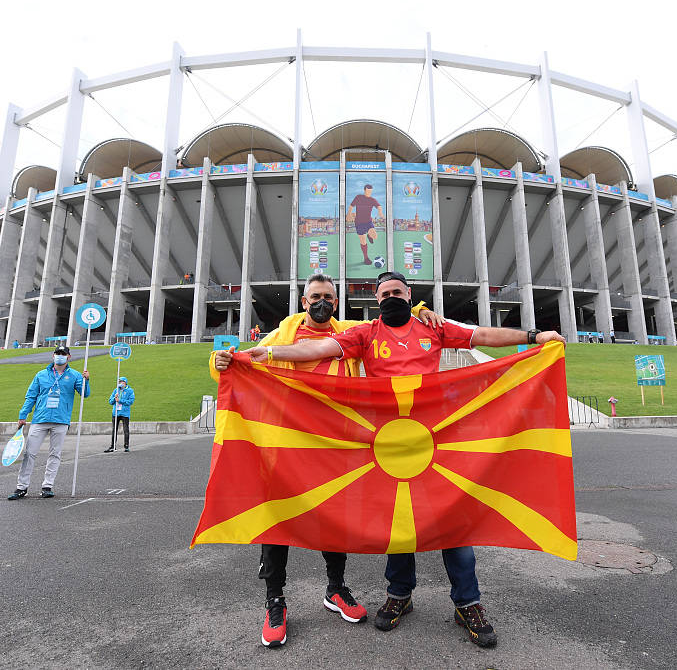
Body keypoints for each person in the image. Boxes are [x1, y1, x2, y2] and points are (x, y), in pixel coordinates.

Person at [217, 270, 564, 649]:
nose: (391, 298)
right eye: (384, 294)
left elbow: (481, 335)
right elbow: (316, 349)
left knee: (454, 517)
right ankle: (398, 594)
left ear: (409, 294)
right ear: (376, 299)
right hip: (383, 444)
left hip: (435, 440)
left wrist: (534, 336)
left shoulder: (430, 326)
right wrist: (267, 352)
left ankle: (468, 602)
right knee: (399, 518)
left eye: (398, 292)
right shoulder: (364, 333)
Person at [210, 273, 443, 649]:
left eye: (329, 298)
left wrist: (419, 308)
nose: (323, 302)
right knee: (278, 516)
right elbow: (244, 360)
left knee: (333, 514)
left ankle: (336, 589)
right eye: (316, 296)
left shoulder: (350, 330)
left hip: (335, 444)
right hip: (287, 442)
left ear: (337, 303)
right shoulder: (285, 333)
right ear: (304, 301)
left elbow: (390, 318)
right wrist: (218, 360)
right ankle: (275, 600)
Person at [8, 346, 91, 500]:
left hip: (61, 420)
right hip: (40, 419)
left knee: (55, 454)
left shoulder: (74, 375)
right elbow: (31, 396)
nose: (60, 356)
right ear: (53, 356)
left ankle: (47, 486)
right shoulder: (41, 375)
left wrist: (86, 380)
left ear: (68, 357)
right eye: (58, 354)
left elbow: (85, 394)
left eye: (63, 354)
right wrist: (23, 415)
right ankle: (21, 487)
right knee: (29, 453)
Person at [348, 183, 382, 265]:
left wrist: (380, 212)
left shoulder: (372, 200)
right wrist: (349, 214)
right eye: (368, 192)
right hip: (359, 223)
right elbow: (351, 206)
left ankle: (369, 235)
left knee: (375, 236)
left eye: (370, 192)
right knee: (363, 241)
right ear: (364, 190)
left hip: (368, 222)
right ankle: (366, 258)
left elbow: (379, 206)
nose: (369, 193)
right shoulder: (358, 197)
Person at [105, 376, 135, 453]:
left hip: (125, 413)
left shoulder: (130, 391)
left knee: (126, 430)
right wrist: (114, 399)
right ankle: (112, 446)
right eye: (119, 382)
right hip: (115, 413)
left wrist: (120, 400)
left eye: (121, 382)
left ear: (125, 383)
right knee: (114, 430)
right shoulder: (116, 390)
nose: (120, 383)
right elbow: (110, 401)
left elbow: (130, 401)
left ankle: (126, 446)